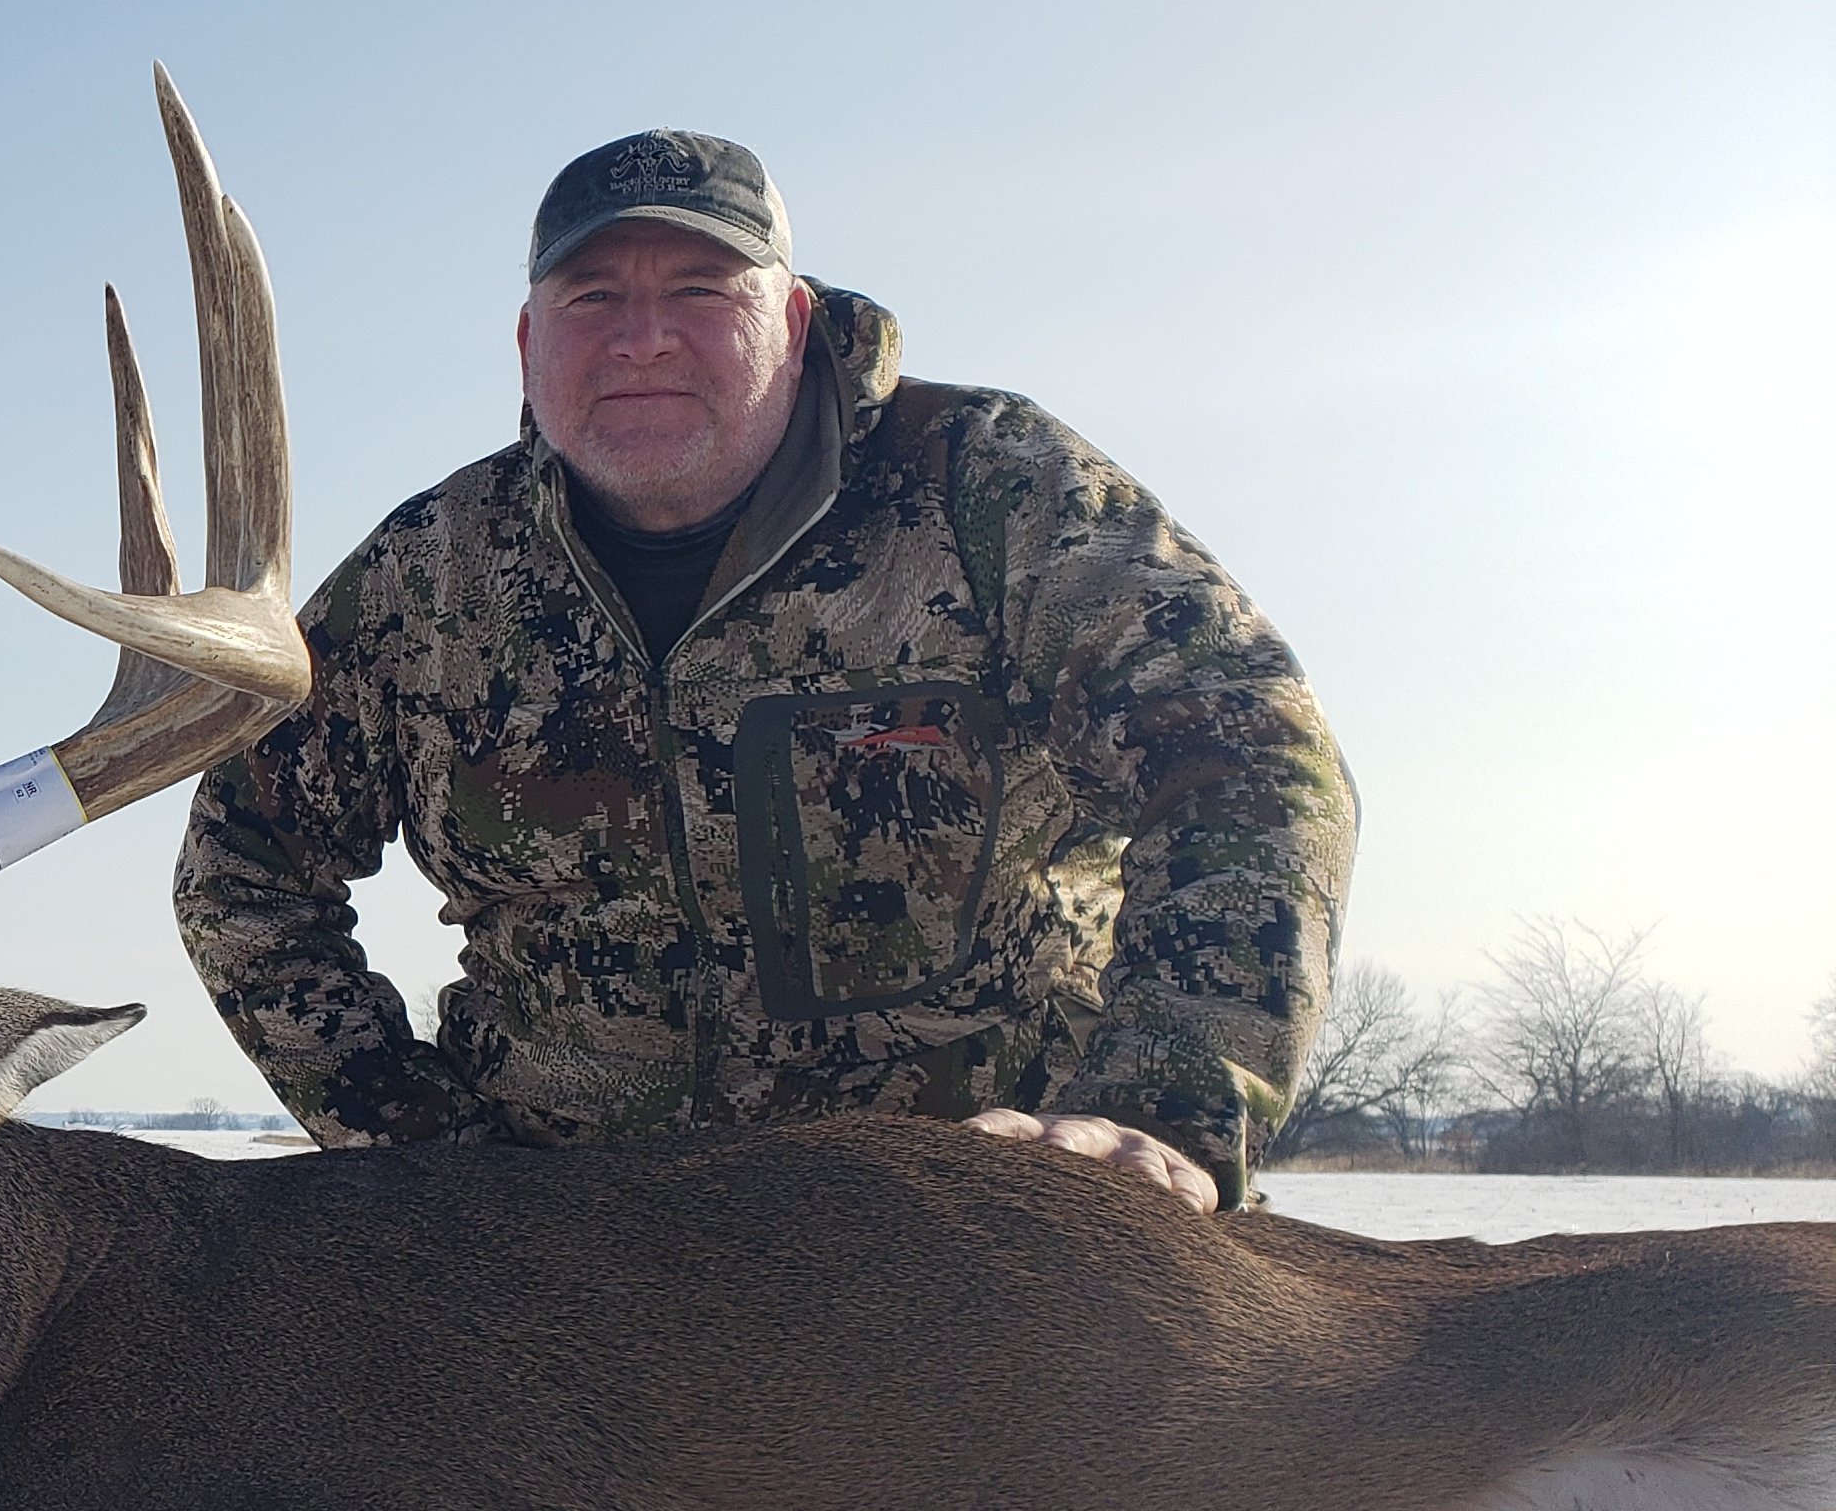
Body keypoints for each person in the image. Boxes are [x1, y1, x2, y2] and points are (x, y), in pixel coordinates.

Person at [177, 127, 1355, 1210]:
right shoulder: (426, 579)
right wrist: (422, 1151)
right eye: (594, 297)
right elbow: (242, 871)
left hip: (981, 1232)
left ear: (792, 322)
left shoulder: (994, 493)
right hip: (565, 1254)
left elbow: (1251, 754)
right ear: (530, 342)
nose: (643, 336)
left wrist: (1159, 1114)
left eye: (701, 290)